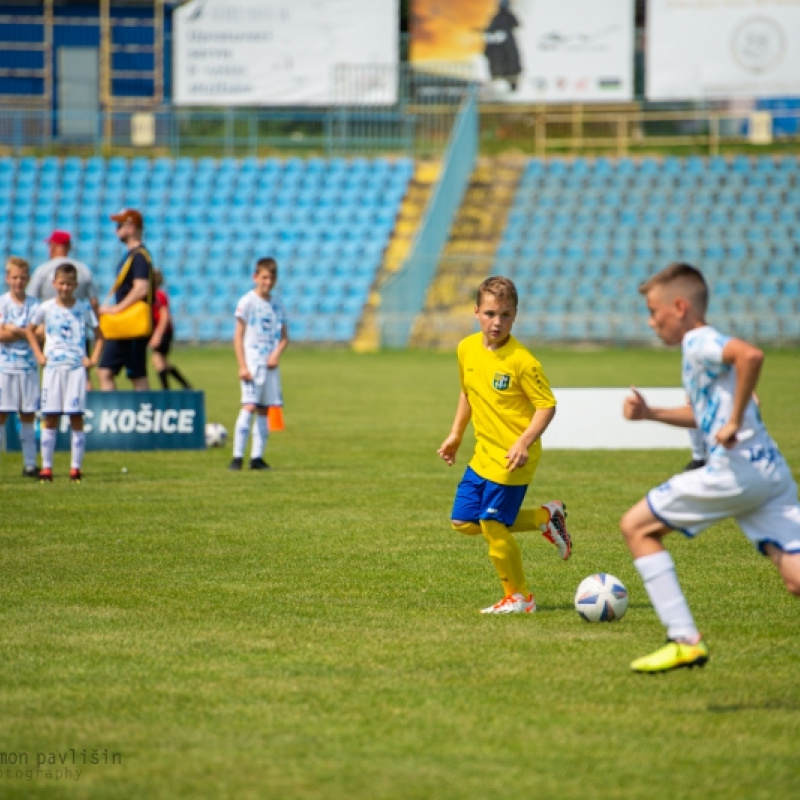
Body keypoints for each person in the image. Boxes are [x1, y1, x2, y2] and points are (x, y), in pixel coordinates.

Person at [621, 262, 800, 673]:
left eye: (654, 311)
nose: (651, 322)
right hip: (767, 470)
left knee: (636, 527)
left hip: (734, 472)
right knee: (795, 578)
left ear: (680, 306)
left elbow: (750, 354)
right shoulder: (699, 349)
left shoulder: (698, 342)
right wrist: (651, 413)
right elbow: (705, 412)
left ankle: (684, 640)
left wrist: (735, 421)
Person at [437, 276, 571, 614]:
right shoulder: (466, 348)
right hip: (484, 453)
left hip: (515, 457)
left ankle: (520, 598)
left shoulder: (522, 361)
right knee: (464, 522)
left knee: (493, 526)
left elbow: (547, 405)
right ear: (476, 312)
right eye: (490, 313)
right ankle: (545, 516)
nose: (497, 322)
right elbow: (468, 391)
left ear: (515, 316)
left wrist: (524, 441)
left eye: (506, 315)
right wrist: (455, 434)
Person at [26, 262, 104, 483]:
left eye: (69, 284)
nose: (65, 288)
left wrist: (93, 359)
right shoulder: (46, 307)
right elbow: (30, 331)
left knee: (75, 416)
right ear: (54, 284)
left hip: (76, 369)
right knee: (50, 417)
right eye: (61, 283)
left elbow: (100, 335)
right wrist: (39, 356)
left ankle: (75, 469)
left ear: (76, 285)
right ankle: (47, 469)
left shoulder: (83, 308)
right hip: (53, 368)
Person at [229, 257, 288, 471]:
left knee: (264, 410)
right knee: (249, 406)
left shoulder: (277, 304)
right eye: (264, 277)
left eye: (271, 278)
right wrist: (242, 365)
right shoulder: (247, 302)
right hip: (252, 365)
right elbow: (238, 336)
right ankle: (236, 457)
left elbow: (284, 337)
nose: (268, 282)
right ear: (255, 277)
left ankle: (257, 458)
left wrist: (276, 353)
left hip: (270, 366)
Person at [29, 230, 100, 391]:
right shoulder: (83, 270)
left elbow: (32, 302)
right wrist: (95, 324)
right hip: (79, 332)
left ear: (54, 246)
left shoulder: (42, 270)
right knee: (84, 375)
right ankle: (86, 408)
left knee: (50, 375)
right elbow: (94, 303)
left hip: (49, 331)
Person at [97, 208, 153, 391]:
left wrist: (116, 309)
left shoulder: (139, 256)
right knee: (112, 372)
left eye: (120, 225)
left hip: (130, 323)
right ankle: (125, 413)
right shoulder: (133, 256)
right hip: (125, 325)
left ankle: (143, 414)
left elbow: (141, 288)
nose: (116, 230)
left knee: (134, 375)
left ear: (131, 227)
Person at [0, 256, 41, 477]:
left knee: (28, 414)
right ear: (8, 278)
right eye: (15, 277)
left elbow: (43, 333)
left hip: (28, 367)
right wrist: (27, 332)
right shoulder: (2, 302)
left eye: (23, 277)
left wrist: (13, 330)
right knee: (2, 413)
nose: (19, 282)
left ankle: (30, 464)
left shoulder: (36, 304)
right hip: (5, 367)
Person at [150, 269, 192, 390]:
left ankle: (166, 389)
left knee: (158, 360)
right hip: (162, 331)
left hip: (163, 332)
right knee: (162, 361)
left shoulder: (159, 295)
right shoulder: (154, 295)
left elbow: (165, 316)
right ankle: (185, 385)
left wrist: (158, 334)